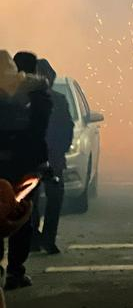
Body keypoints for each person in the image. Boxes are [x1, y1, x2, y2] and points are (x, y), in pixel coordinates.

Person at [0, 51, 52, 288]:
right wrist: (43, 164)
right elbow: (40, 134)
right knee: (21, 215)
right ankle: (15, 271)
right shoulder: (37, 93)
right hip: (24, 167)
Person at [32, 59, 74, 255]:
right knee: (30, 201)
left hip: (52, 158)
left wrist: (59, 152)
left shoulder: (58, 100)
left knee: (53, 199)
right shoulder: (25, 100)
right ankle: (33, 238)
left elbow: (67, 129)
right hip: (32, 159)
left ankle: (47, 238)